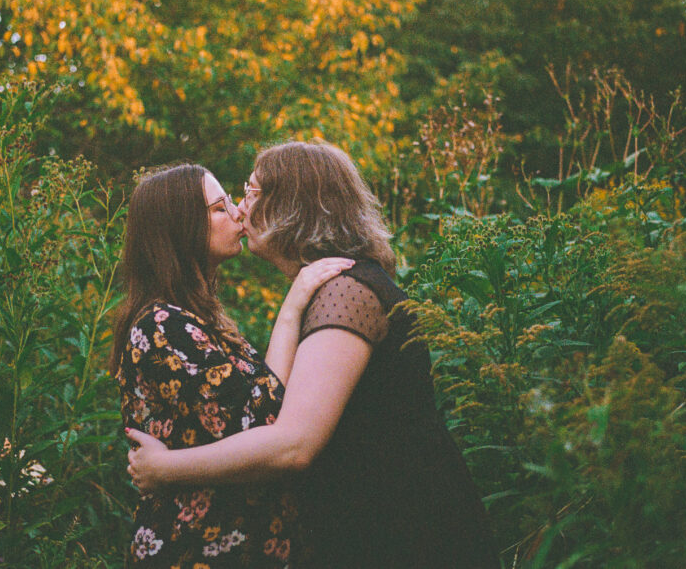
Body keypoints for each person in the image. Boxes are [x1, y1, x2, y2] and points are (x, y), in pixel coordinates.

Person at [125, 142, 499, 569]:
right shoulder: (330, 292)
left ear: (290, 205)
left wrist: (165, 469)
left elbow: (292, 443)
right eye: (228, 201)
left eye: (250, 192)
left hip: (402, 527)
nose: (240, 209)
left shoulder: (347, 292)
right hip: (370, 522)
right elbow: (268, 407)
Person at [112, 163, 353, 567]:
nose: (239, 211)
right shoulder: (163, 326)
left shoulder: (197, 318)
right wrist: (294, 303)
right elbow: (271, 425)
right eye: (220, 207)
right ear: (181, 227)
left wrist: (293, 306)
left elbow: (264, 397)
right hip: (196, 548)